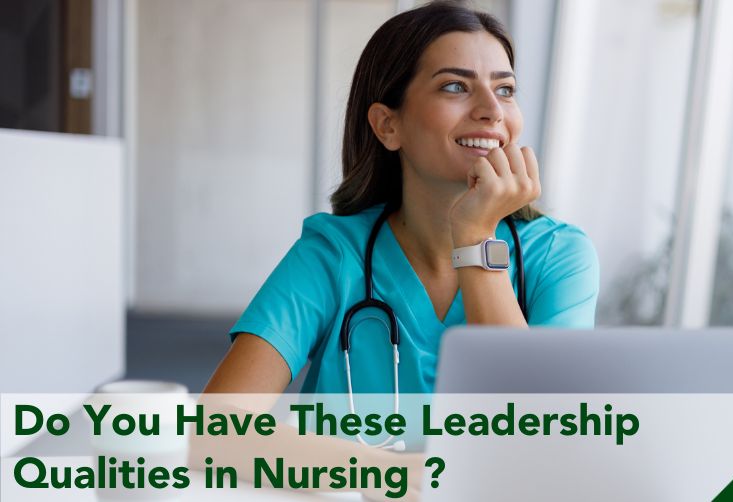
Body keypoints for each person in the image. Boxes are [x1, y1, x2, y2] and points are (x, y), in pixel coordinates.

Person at [204, 1, 599, 397]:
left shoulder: (559, 254)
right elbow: (218, 425)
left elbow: (545, 428)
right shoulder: (334, 253)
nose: (493, 111)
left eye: (505, 90)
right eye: (455, 86)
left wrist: (477, 238)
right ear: (388, 125)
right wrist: (410, 465)